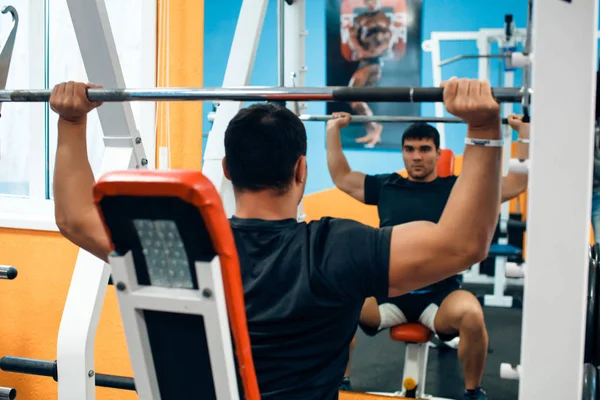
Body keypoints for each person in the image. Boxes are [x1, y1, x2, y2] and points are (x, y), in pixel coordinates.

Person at [52, 78, 504, 400]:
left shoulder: (183, 249)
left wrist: (72, 123)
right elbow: (463, 244)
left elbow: (74, 217)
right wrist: (484, 131)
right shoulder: (335, 248)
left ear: (228, 171)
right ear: (301, 171)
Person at [326, 112, 530, 399]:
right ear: (403, 153)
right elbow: (342, 176)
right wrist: (333, 129)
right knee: (337, 296)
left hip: (439, 297)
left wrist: (524, 134)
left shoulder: (457, 190)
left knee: (471, 314)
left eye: (424, 149)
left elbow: (516, 184)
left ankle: (473, 391)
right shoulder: (386, 186)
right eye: (409, 149)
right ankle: (339, 383)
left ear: (437, 153)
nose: (416, 157)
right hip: (386, 293)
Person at [347, 0, 395, 148]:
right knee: (356, 100)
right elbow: (352, 37)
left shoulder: (384, 19)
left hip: (373, 63)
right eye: (367, 1)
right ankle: (372, 131)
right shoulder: (360, 19)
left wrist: (368, 53)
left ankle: (375, 127)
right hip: (365, 61)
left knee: (352, 94)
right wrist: (360, 50)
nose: (370, 3)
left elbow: (387, 43)